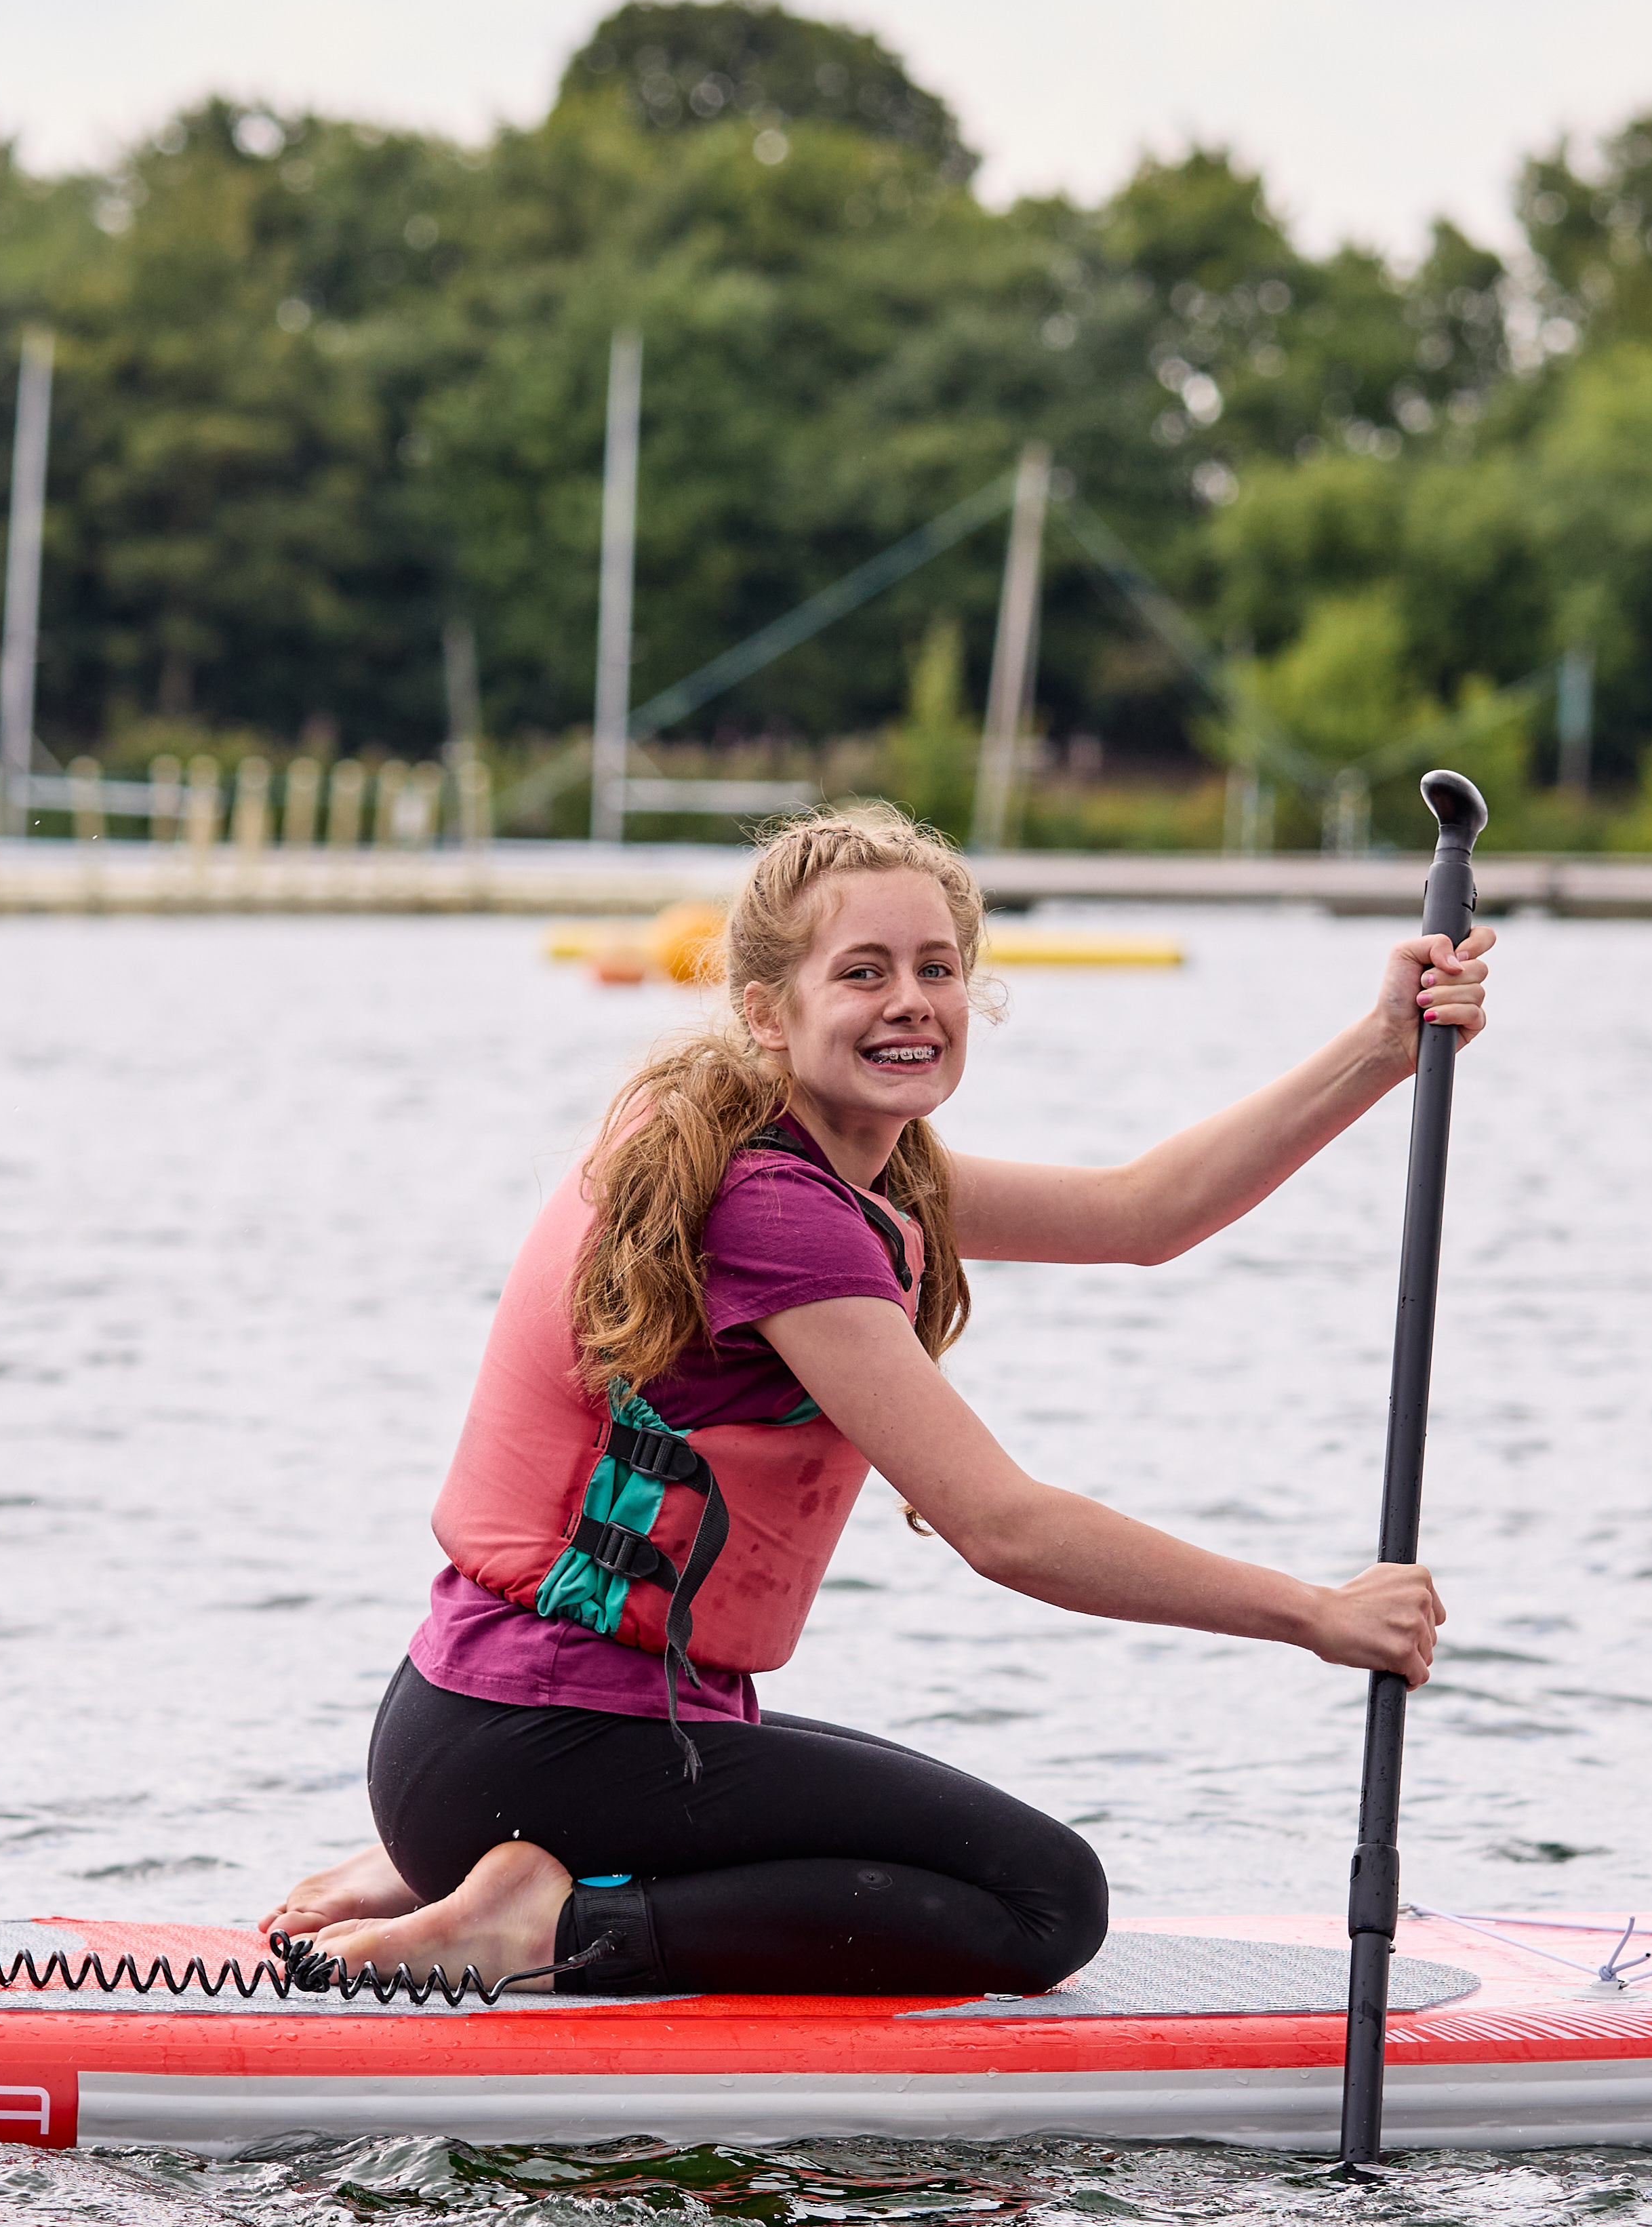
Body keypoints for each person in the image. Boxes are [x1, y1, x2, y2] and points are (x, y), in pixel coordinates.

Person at [266, 801, 1497, 1998]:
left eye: (937, 966)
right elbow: (1000, 1526)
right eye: (863, 971)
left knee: (970, 1864)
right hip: (542, 1740)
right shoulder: (777, 1209)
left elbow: (1143, 1214)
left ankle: (471, 1859)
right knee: (1044, 1899)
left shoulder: (787, 1149)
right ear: (768, 1010)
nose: (910, 999)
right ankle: (551, 1918)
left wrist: (1380, 1046)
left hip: (479, 1729)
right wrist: (1316, 1614)